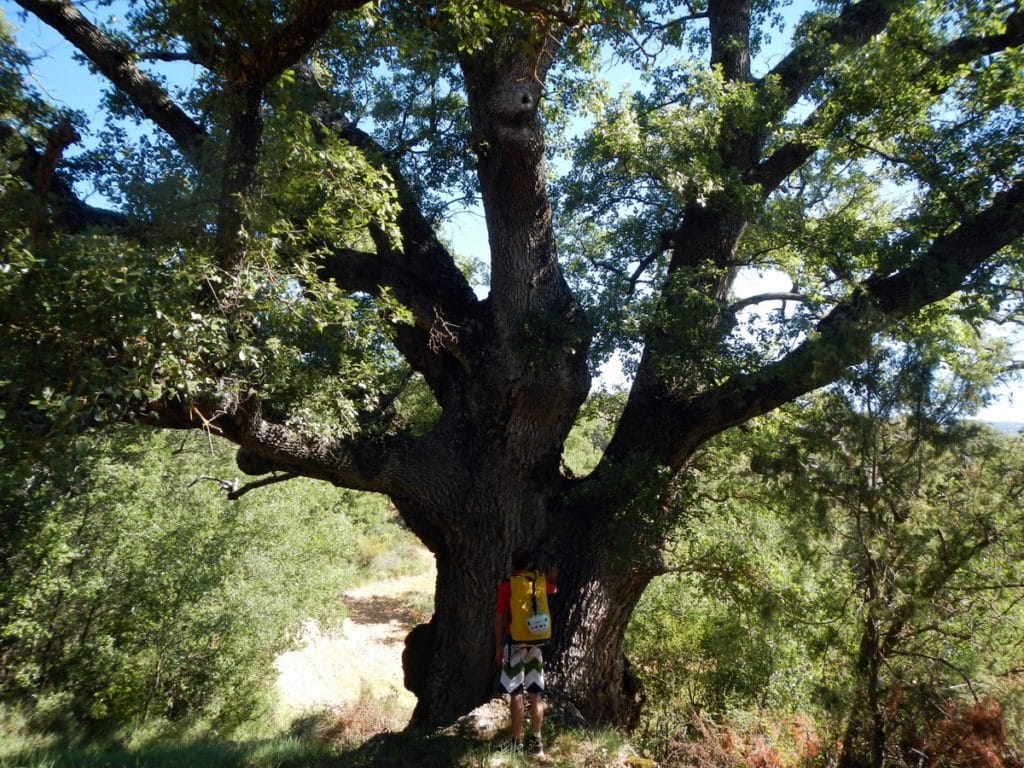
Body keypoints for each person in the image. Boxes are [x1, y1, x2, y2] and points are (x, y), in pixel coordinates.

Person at [494, 548, 558, 756]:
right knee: (535, 694)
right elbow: (553, 590)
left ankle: (517, 741)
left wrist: (498, 647)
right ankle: (537, 743)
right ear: (529, 564)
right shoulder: (539, 582)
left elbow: (499, 618)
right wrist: (552, 579)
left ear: (512, 564)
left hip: (515, 643)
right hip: (536, 644)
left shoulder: (507, 586)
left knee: (516, 693)